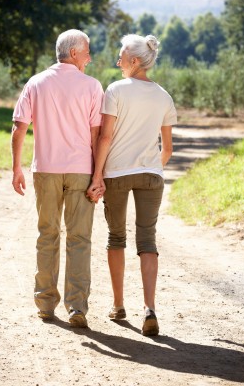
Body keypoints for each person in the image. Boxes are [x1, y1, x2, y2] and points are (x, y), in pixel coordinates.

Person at [11, 29, 104, 328]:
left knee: (47, 235)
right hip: (80, 170)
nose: (89, 57)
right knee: (80, 238)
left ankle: (45, 304)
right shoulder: (92, 86)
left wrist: (16, 168)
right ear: (74, 53)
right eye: (87, 51)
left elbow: (19, 126)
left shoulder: (36, 83)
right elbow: (96, 136)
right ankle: (76, 308)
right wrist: (98, 175)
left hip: (46, 170)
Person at [87, 34, 177, 336]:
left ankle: (118, 304)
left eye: (122, 57)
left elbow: (106, 137)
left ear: (135, 61)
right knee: (147, 241)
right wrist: (152, 169)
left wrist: (97, 175)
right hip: (152, 175)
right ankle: (150, 308)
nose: (118, 61)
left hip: (117, 173)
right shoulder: (164, 96)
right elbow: (167, 149)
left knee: (116, 237)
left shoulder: (115, 90)